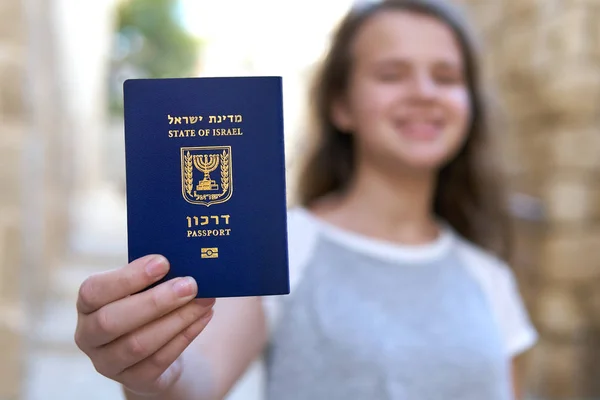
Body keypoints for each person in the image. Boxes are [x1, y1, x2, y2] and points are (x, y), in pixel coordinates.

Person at [74, 1, 538, 399]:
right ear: (341, 104)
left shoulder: (489, 277)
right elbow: (195, 378)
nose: (424, 92)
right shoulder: (284, 244)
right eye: (391, 74)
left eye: (446, 76)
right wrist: (152, 371)